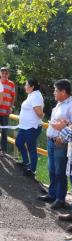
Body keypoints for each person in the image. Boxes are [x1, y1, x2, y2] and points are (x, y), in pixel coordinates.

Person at [38, 79, 72, 210]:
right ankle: (51, 194)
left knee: (60, 171)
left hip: (60, 144)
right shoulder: (59, 104)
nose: (54, 92)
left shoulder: (70, 105)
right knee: (51, 169)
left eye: (56, 90)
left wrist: (62, 138)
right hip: (51, 141)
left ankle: (60, 199)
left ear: (63, 92)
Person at [15, 79, 44, 177]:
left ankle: (32, 170)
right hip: (25, 126)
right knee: (18, 142)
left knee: (31, 148)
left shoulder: (35, 96)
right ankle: (26, 162)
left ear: (32, 87)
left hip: (32, 127)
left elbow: (40, 113)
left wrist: (39, 115)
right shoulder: (31, 94)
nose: (25, 86)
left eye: (26, 85)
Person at [0, 67, 16, 155]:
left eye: (6, 73)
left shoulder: (11, 84)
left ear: (8, 74)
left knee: (4, 131)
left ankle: (3, 150)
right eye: (3, 73)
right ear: (0, 74)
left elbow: (13, 96)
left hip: (6, 111)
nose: (4, 75)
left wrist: (11, 107)